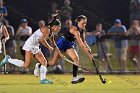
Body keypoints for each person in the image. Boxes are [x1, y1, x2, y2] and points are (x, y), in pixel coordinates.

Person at [0, 18, 62, 84]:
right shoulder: (47, 29)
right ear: (54, 26)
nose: (59, 28)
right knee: (26, 65)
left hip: (35, 46)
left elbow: (54, 45)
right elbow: (42, 40)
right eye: (59, 27)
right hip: (30, 45)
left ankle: (42, 79)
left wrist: (60, 53)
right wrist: (49, 47)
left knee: (44, 62)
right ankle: (8, 59)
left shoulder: (51, 34)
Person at [41, 15, 93, 84]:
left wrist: (88, 48)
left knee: (76, 58)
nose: (84, 25)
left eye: (85, 23)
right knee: (53, 62)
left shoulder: (82, 30)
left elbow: (83, 41)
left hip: (69, 45)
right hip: (62, 43)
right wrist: (88, 55)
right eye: (83, 23)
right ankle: (39, 65)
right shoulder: (74, 30)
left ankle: (74, 78)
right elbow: (80, 44)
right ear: (78, 22)